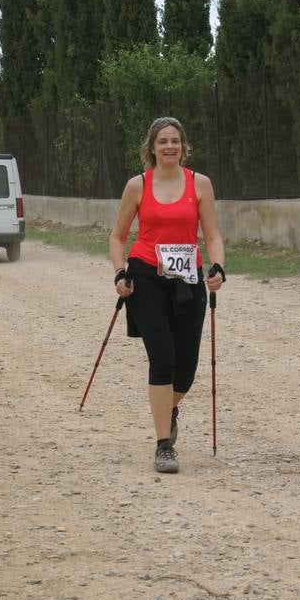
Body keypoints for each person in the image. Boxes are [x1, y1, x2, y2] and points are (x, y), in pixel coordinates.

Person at [109, 116, 225, 474]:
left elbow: (213, 235)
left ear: (184, 146)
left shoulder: (200, 184)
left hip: (187, 278)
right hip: (146, 276)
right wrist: (120, 273)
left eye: (175, 140)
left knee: (185, 371)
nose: (170, 146)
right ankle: (163, 445)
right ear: (152, 148)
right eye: (163, 141)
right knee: (162, 356)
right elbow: (117, 237)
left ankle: (169, 408)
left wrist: (218, 267)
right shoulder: (138, 185)